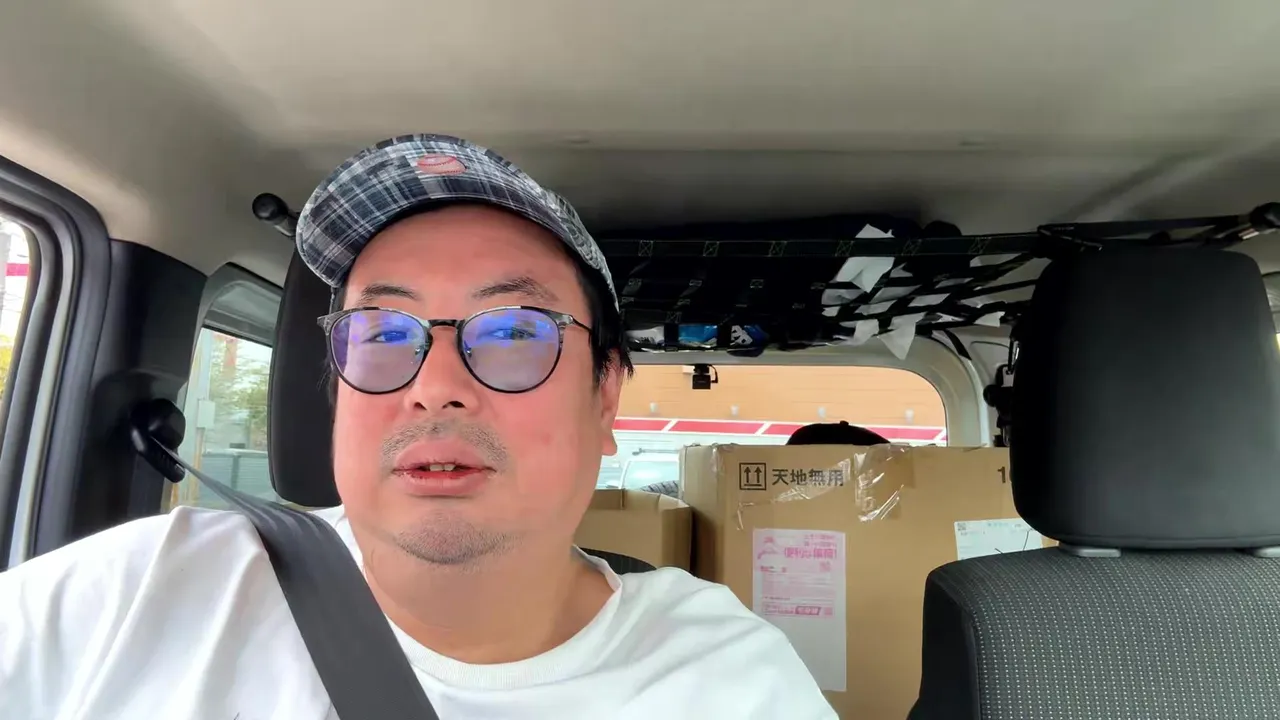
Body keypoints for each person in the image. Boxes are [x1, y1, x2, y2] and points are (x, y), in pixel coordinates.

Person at [1, 134, 837, 719]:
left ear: (605, 396)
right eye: (382, 334)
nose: (436, 388)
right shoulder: (133, 593)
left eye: (513, 333)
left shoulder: (729, 683)